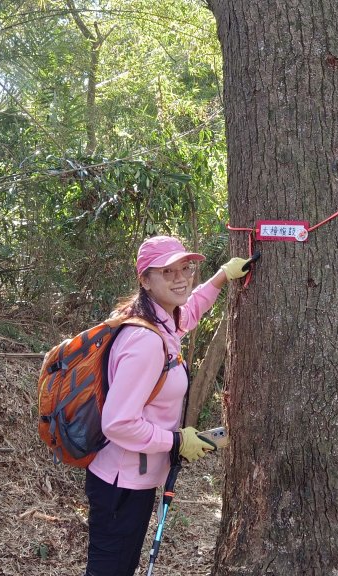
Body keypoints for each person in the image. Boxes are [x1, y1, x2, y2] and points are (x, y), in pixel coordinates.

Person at [83, 235, 249, 576]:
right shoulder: (144, 340)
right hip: (121, 483)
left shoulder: (158, 320)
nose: (181, 277)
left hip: (130, 478)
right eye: (167, 271)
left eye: (185, 268)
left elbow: (188, 315)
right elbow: (118, 422)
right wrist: (175, 441)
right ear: (145, 279)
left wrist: (219, 277)